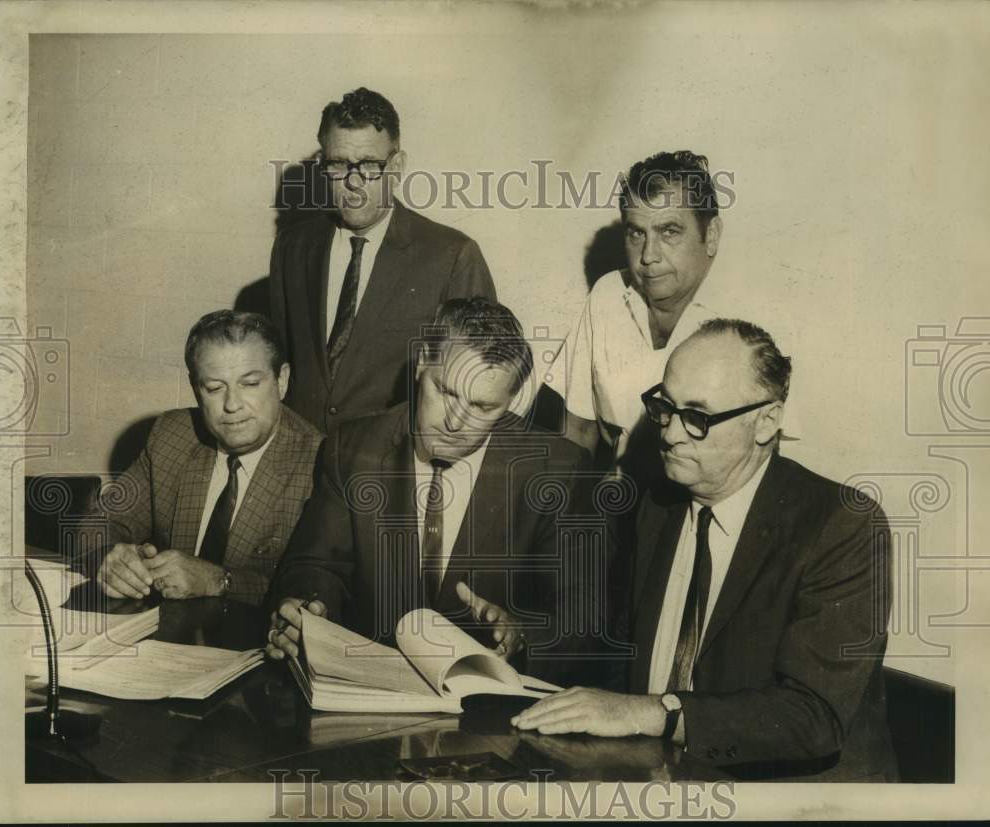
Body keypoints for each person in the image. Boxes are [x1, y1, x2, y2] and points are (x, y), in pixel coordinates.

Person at [514, 319, 896, 782]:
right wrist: (521, 639)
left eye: (697, 417)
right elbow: (617, 651)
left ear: (767, 422)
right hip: (660, 780)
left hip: (787, 798)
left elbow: (813, 717)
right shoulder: (657, 503)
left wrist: (655, 714)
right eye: (664, 407)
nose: (670, 433)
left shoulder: (841, 524)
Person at [265, 298, 606, 684]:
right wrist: (307, 609)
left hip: (489, 705)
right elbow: (317, 565)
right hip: (369, 691)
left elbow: (582, 618)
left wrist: (521, 635)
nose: (455, 422)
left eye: (482, 406)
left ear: (513, 399)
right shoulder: (355, 447)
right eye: (446, 392)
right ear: (423, 363)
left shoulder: (558, 470)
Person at [269, 87, 497, 435]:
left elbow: (475, 383)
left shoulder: (453, 255)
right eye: (339, 164)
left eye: (370, 166)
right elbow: (282, 365)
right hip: (299, 460)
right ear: (323, 166)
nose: (354, 182)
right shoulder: (292, 247)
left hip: (389, 470)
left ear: (397, 165)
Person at [563, 151, 799, 475]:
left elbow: (769, 455)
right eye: (637, 233)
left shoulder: (753, 319)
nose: (648, 256)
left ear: (711, 235)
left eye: (669, 232)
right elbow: (577, 429)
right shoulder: (607, 294)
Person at [92, 311, 321, 606]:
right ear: (196, 389)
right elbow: (98, 523)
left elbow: (315, 592)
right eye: (214, 388)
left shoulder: (319, 462)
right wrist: (112, 557)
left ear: (282, 380)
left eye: (250, 384)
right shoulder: (171, 435)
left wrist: (219, 581)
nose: (232, 405)